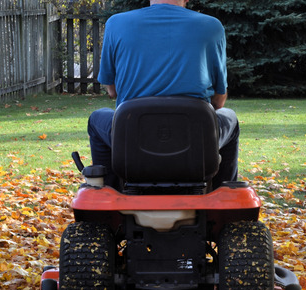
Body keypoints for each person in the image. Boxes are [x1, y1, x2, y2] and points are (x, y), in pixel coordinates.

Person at [87, 0, 239, 190]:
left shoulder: (116, 23)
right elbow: (219, 100)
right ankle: (222, 196)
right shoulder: (211, 26)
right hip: (195, 137)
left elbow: (112, 90)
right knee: (230, 118)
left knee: (97, 119)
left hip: (133, 134)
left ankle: (108, 194)